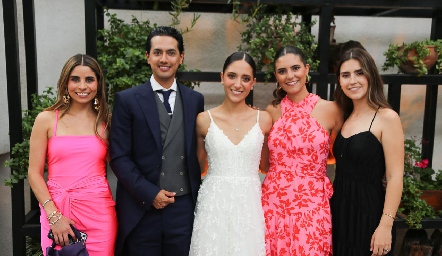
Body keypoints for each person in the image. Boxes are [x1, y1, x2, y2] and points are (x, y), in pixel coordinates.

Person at [109, 26, 204, 256]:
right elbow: (119, 157)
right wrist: (150, 193)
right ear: (147, 56)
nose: (164, 59)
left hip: (183, 208)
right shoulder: (127, 99)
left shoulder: (195, 100)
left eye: (171, 53)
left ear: (181, 58)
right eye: (158, 52)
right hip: (141, 207)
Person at [28, 54, 117, 255]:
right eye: (75, 79)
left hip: (99, 214)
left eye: (89, 79)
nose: (82, 86)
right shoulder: (47, 119)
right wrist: (54, 216)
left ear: (98, 83)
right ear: (65, 82)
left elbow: (122, 167)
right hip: (57, 212)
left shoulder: (107, 122)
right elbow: (34, 173)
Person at [261, 46, 343, 255]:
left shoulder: (331, 110)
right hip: (274, 202)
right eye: (282, 71)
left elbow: (338, 157)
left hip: (313, 204)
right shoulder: (271, 111)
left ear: (307, 69)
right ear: (276, 76)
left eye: (295, 68)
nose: (290, 76)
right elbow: (265, 164)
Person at [189, 52, 272, 256]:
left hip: (249, 204)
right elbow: (199, 168)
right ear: (222, 77)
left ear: (253, 82)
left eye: (245, 79)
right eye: (232, 76)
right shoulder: (203, 120)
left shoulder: (264, 119)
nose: (238, 84)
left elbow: (266, 166)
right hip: (213, 204)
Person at [331, 48, 404, 256]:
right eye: (345, 75)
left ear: (370, 74)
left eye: (359, 72)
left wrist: (385, 225)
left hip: (369, 215)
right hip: (340, 212)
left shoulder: (387, 117)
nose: (352, 80)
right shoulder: (345, 115)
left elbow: (395, 176)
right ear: (340, 81)